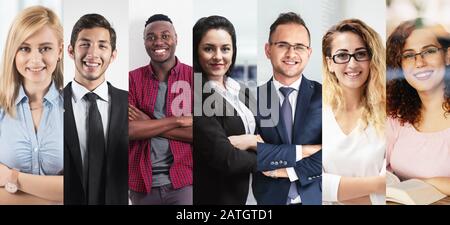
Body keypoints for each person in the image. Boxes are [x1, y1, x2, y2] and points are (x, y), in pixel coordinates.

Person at [253, 12, 322, 205]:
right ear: (268, 50)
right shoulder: (251, 99)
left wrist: (286, 171)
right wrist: (309, 150)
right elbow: (251, 155)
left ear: (309, 52)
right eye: (282, 45)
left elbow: (334, 155)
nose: (291, 54)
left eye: (299, 47)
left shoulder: (326, 97)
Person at [193, 15, 259, 205]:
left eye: (225, 49)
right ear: (196, 51)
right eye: (208, 49)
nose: (218, 56)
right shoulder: (194, 95)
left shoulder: (242, 91)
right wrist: (267, 154)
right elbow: (227, 159)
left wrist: (248, 141)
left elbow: (268, 136)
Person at [0, 6, 63, 204]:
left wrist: (12, 178)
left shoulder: (77, 107)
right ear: (14, 52)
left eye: (45, 48)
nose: (35, 59)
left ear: (60, 50)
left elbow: (83, 188)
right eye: (25, 48)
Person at [128, 14, 193, 205]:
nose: (158, 42)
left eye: (165, 36)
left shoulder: (194, 77)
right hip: (142, 184)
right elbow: (129, 130)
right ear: (144, 42)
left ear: (176, 39)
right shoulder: (132, 79)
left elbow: (203, 133)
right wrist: (178, 121)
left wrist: (147, 124)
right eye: (151, 37)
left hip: (183, 182)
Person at [64, 13, 128, 205]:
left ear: (113, 55)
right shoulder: (51, 103)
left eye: (102, 45)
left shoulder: (129, 103)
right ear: (70, 51)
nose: (92, 53)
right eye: (85, 44)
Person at [321, 19, 386, 205]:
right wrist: (377, 185)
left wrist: (333, 193)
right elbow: (310, 182)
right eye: (342, 56)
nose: (352, 64)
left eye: (361, 54)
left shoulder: (389, 115)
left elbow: (392, 189)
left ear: (372, 59)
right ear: (330, 64)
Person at [386, 19, 450, 196]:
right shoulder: (394, 118)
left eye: (429, 51)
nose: (419, 63)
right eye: (408, 55)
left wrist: (424, 184)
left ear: (447, 56)